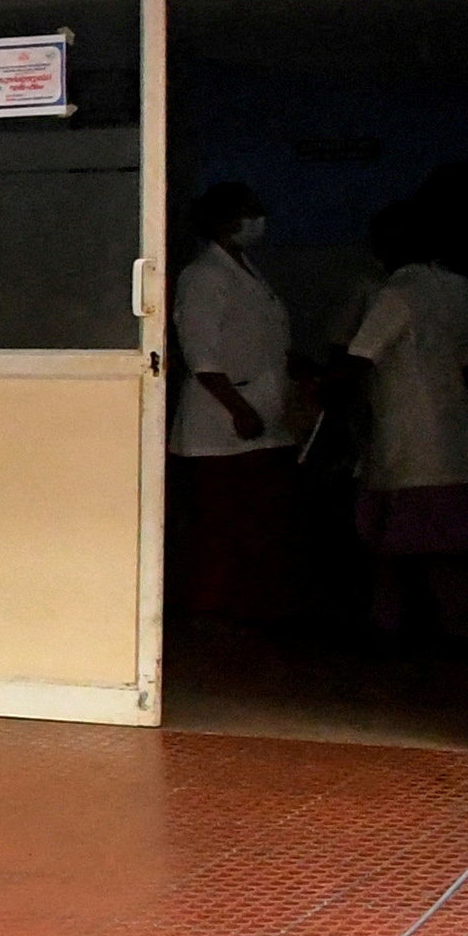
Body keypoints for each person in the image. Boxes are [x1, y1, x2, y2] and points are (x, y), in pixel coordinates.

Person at [342, 195, 468, 648]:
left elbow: (361, 356)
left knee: (395, 538)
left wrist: (325, 388)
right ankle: (457, 623)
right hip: (450, 427)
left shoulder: (396, 293)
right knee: (446, 542)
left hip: (404, 432)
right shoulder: (459, 288)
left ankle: (387, 623)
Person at [169, 178, 302, 626]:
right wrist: (239, 408)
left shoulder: (245, 269)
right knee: (220, 528)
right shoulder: (204, 276)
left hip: (262, 412)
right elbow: (201, 354)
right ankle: (213, 615)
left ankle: (251, 611)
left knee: (259, 526)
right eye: (250, 212)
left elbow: (265, 340)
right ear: (227, 221)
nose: (258, 221)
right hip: (223, 420)